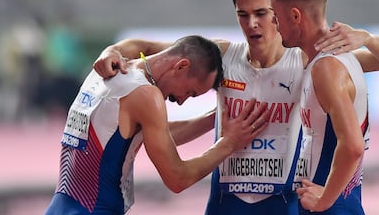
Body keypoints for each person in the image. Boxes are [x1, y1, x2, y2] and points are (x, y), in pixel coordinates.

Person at [93, 0, 379, 215]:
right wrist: (110, 51)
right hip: (225, 201)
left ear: (276, 11)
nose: (252, 24)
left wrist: (366, 37)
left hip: (282, 202)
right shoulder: (221, 55)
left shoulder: (307, 60)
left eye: (261, 13)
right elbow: (139, 47)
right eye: (243, 15)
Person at [45, 35, 270, 215]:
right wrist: (229, 143)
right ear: (181, 66)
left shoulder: (108, 67)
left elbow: (153, 134)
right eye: (190, 92)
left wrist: (215, 118)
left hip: (61, 206)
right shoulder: (146, 95)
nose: (182, 101)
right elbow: (177, 178)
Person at [265, 0, 379, 214]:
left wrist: (324, 200)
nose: (274, 25)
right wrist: (369, 39)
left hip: (329, 206)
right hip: (338, 201)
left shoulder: (327, 69)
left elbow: (352, 146)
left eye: (276, 16)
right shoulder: (330, 59)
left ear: (295, 15)